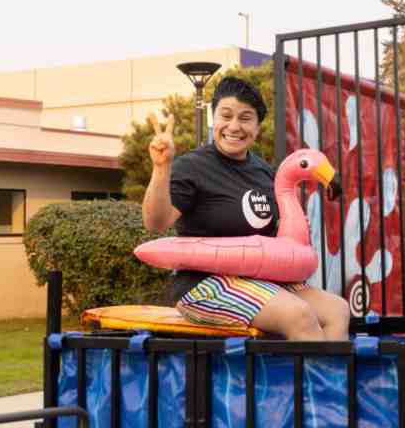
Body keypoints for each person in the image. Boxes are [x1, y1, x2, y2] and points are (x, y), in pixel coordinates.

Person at [142, 76, 350, 341]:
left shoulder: (265, 173)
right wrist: (161, 168)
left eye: (245, 118)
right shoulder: (192, 167)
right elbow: (156, 222)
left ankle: (331, 381)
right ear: (213, 118)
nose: (234, 126)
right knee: (298, 315)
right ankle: (308, 382)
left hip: (263, 279)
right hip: (203, 283)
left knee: (337, 310)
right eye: (225, 115)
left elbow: (275, 239)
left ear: (257, 127)